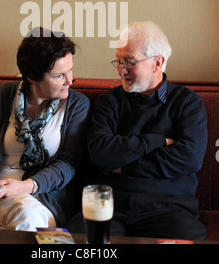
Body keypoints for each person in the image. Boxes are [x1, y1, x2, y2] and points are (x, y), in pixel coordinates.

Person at [84, 21, 207, 240]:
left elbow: (189, 159)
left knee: (188, 236)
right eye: (119, 61)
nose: (121, 70)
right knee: (80, 240)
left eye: (129, 61)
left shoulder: (188, 102)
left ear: (157, 63)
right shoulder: (108, 102)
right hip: (111, 206)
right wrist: (158, 141)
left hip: (169, 208)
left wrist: (123, 166)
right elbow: (101, 154)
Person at [0, 28, 90, 231]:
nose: (70, 81)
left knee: (26, 216)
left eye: (70, 70)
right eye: (59, 76)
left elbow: (69, 162)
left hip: (43, 197)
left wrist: (26, 186)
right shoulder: (4, 95)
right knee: (25, 220)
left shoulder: (77, 105)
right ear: (31, 76)